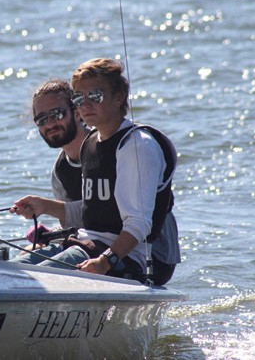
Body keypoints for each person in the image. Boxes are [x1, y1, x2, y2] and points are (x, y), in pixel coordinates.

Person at [11, 58, 177, 284]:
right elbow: (97, 210)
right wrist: (44, 207)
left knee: (28, 281)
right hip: (86, 245)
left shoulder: (137, 146)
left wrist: (106, 261)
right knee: (8, 271)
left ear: (118, 97)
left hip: (127, 259)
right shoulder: (90, 144)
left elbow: (139, 223)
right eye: (79, 98)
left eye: (95, 97)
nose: (85, 105)